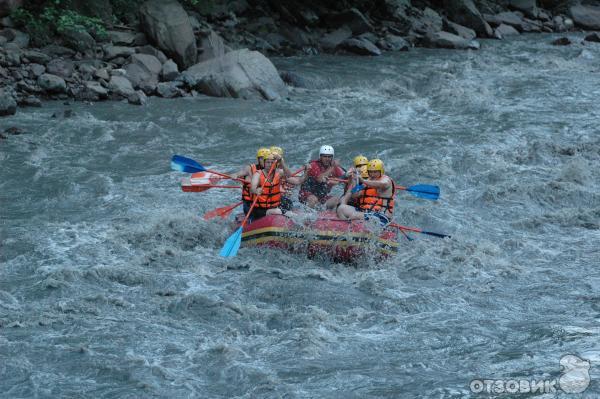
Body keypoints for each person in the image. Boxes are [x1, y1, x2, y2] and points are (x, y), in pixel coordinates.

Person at [249, 152, 306, 221]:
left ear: (275, 164)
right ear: (264, 164)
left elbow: (289, 175)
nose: (270, 164)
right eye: (267, 162)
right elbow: (252, 188)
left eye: (272, 162)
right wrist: (256, 190)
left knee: (288, 209)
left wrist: (281, 161)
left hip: (275, 206)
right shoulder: (257, 174)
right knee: (277, 211)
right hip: (260, 209)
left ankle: (301, 220)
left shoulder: (279, 172)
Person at [336, 159, 395, 224]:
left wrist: (364, 181)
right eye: (370, 172)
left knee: (354, 216)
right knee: (341, 209)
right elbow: (354, 195)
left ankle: (357, 228)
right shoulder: (367, 182)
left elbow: (382, 184)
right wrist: (354, 181)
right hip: (365, 212)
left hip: (381, 216)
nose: (372, 174)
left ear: (381, 171)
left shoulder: (386, 179)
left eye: (375, 172)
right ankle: (347, 227)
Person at [230, 147, 269, 215]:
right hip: (250, 204)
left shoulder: (272, 170)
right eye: (261, 158)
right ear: (258, 159)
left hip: (265, 204)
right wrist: (235, 175)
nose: (263, 160)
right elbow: (240, 173)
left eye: (265, 158)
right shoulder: (250, 168)